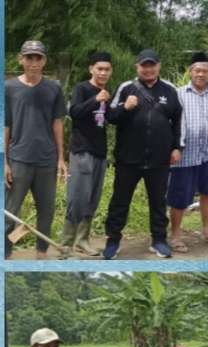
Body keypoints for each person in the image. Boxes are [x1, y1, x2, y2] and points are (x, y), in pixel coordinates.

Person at [103, 49, 183, 259]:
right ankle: (113, 240)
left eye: (152, 65)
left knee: (158, 202)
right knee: (120, 201)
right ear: (137, 67)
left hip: (159, 159)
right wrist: (125, 107)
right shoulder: (126, 88)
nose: (148, 69)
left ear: (158, 66)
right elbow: (110, 116)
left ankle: (158, 240)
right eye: (144, 65)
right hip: (128, 158)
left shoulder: (170, 90)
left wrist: (177, 147)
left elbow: (177, 121)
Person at [5, 40, 67, 259]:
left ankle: (41, 253)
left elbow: (57, 124)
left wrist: (61, 158)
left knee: (46, 211)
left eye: (38, 58)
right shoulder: (9, 88)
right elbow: (6, 125)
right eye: (29, 57)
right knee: (9, 212)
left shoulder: (54, 88)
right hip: (18, 159)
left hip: (46, 160)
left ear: (44, 61)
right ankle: (6, 254)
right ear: (20, 59)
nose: (33, 62)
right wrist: (4, 161)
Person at [168, 52, 208, 252]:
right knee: (179, 197)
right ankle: (176, 235)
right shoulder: (178, 94)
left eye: (205, 71)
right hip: (184, 154)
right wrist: (173, 147)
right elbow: (170, 122)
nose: (201, 74)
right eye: (197, 70)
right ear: (190, 72)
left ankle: (207, 231)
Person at [64, 51, 113, 256]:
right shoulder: (82, 88)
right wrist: (96, 99)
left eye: (107, 69)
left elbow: (108, 119)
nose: (103, 72)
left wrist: (124, 108)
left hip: (100, 152)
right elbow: (74, 113)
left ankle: (83, 240)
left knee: (93, 198)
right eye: (99, 68)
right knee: (78, 196)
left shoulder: (106, 93)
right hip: (82, 150)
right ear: (91, 69)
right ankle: (66, 243)